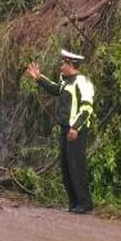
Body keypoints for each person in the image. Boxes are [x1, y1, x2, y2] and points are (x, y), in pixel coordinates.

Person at [27, 49, 94, 213]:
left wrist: (76, 127)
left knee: (76, 165)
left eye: (63, 63)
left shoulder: (82, 82)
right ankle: (73, 203)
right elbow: (56, 89)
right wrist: (39, 78)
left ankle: (84, 203)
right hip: (65, 128)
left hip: (76, 130)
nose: (61, 65)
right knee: (65, 165)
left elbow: (87, 108)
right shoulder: (66, 81)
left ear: (71, 65)